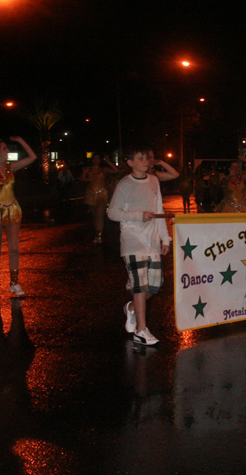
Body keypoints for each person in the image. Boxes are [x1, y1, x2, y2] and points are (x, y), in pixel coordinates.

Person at [108, 143, 171, 346]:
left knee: (153, 287)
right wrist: (138, 216)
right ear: (130, 163)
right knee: (139, 285)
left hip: (152, 241)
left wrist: (165, 238)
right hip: (132, 241)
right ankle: (141, 331)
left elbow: (159, 209)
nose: (145, 162)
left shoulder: (153, 181)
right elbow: (112, 213)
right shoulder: (124, 185)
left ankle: (132, 308)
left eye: (146, 158)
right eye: (140, 158)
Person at [0, 137, 37, 297]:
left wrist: (21, 140)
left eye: (7, 149)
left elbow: (33, 158)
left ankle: (14, 282)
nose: (7, 151)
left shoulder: (11, 167)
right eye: (4, 148)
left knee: (14, 248)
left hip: (11, 208)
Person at [80, 154, 119, 244]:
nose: (96, 160)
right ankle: (97, 232)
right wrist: (87, 179)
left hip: (101, 193)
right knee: (94, 215)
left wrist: (108, 161)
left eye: (98, 158)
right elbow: (81, 178)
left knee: (99, 214)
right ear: (92, 160)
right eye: (95, 158)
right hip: (90, 193)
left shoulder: (103, 169)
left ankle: (99, 236)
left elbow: (116, 170)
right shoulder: (88, 169)